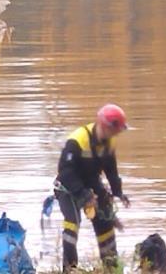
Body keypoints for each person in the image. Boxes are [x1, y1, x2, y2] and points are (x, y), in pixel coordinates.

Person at [54, 104, 131, 272]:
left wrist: (118, 192)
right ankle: (69, 269)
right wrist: (84, 195)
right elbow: (65, 172)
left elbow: (111, 171)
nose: (117, 133)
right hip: (68, 187)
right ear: (104, 126)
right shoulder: (77, 140)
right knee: (72, 225)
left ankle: (111, 268)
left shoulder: (109, 143)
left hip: (92, 185)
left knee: (106, 224)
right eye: (116, 129)